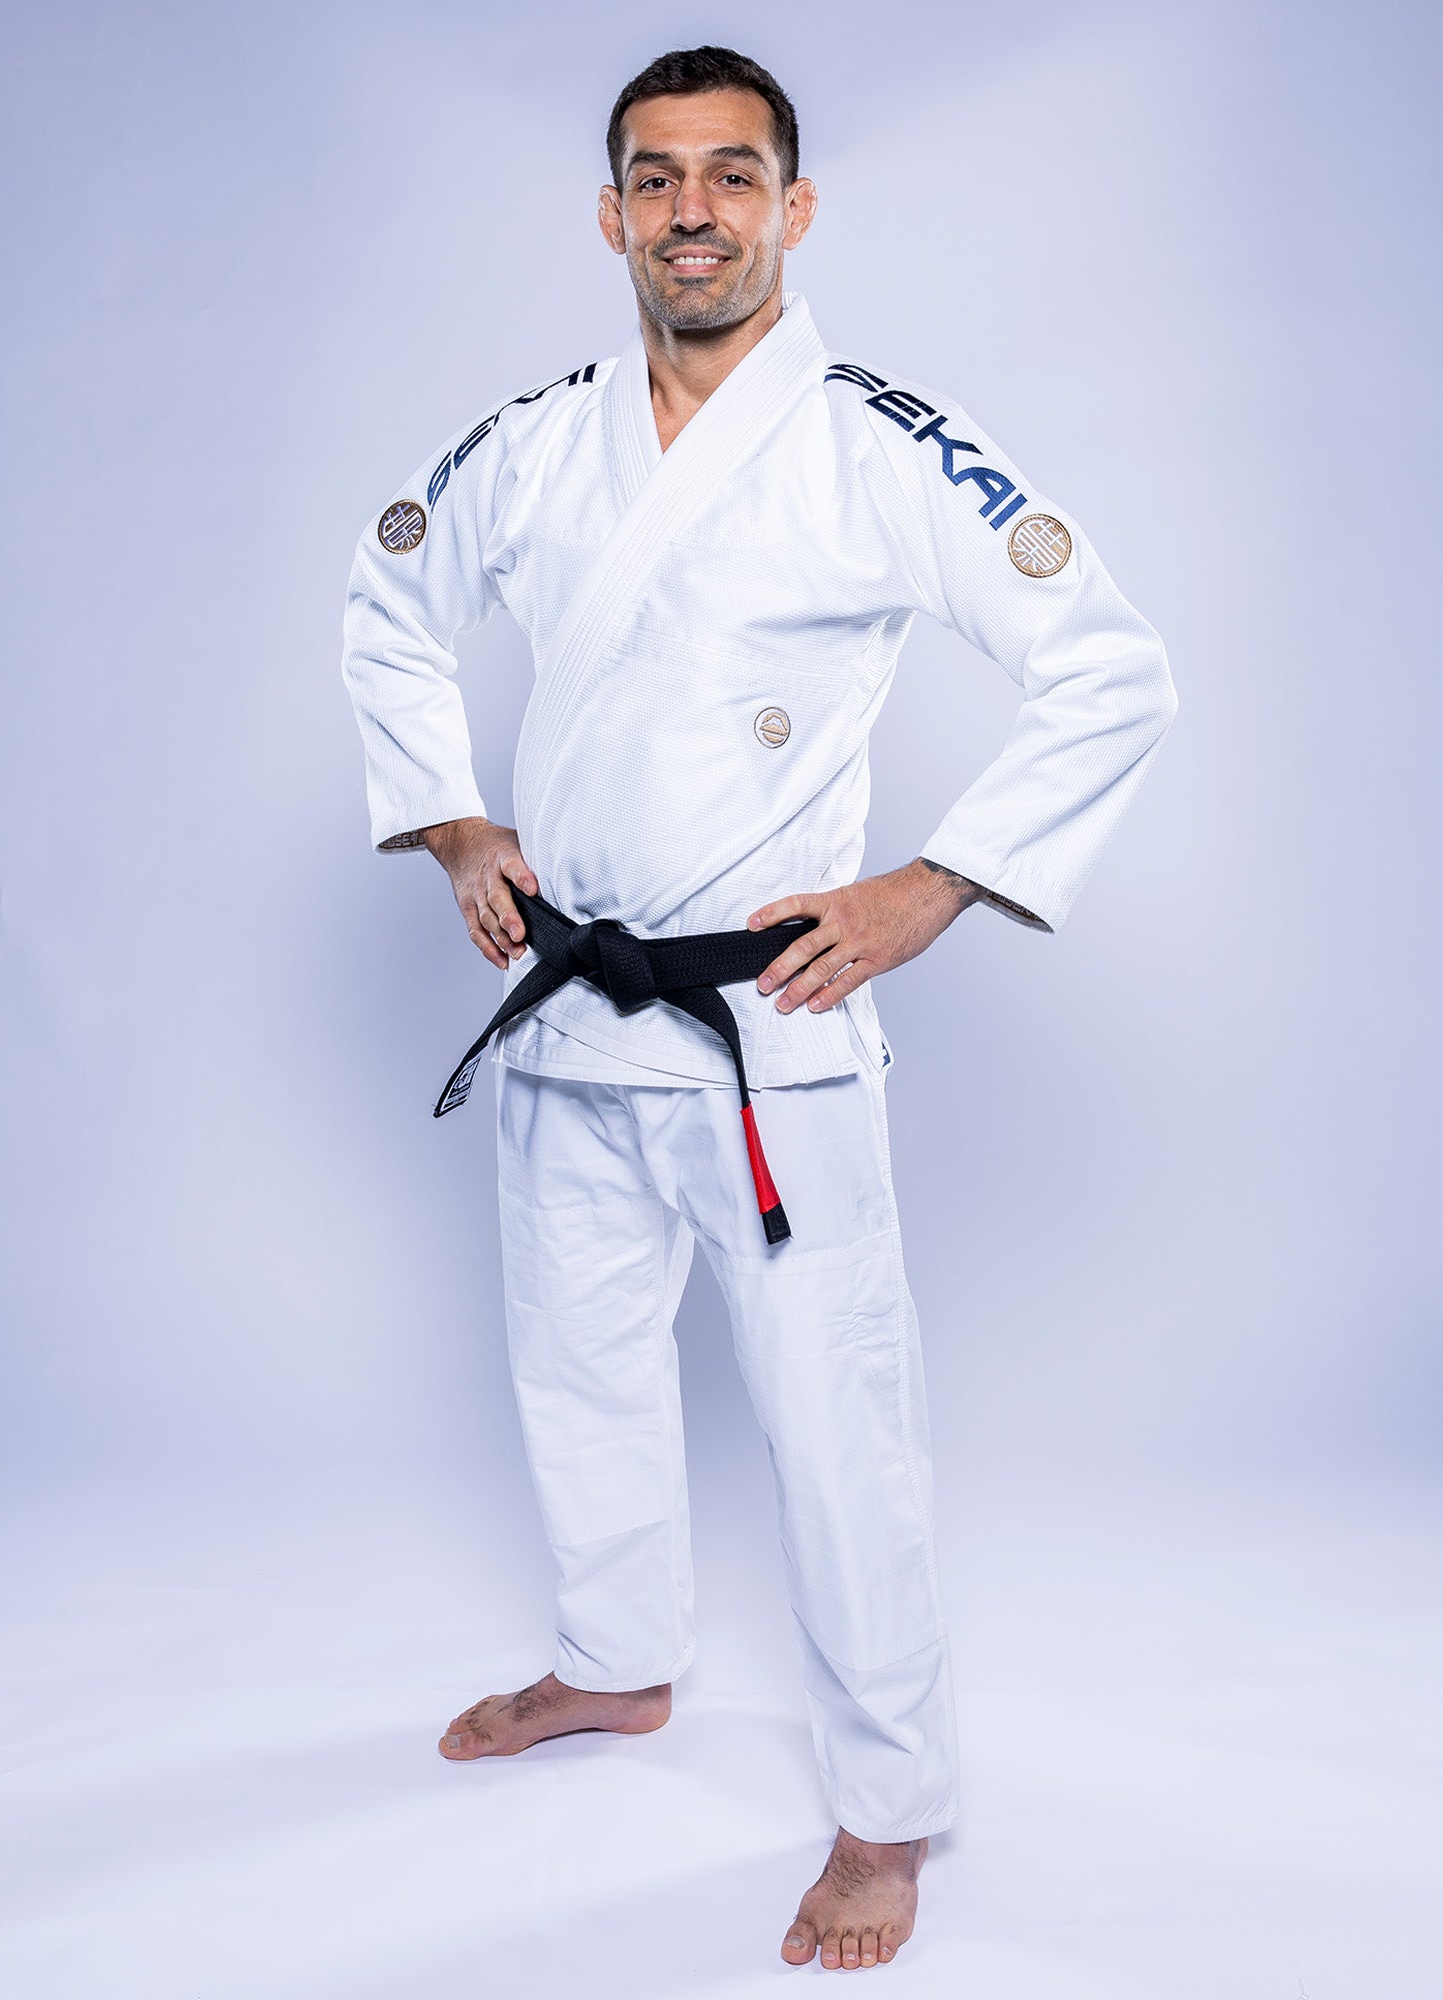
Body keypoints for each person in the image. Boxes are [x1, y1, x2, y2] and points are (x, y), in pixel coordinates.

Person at [341, 44, 1176, 1973]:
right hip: (567, 1001)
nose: (693, 210)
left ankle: (886, 1810)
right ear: (610, 215)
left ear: (794, 211)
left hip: (767, 1032)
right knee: (576, 1367)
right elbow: (384, 599)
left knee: (836, 1427)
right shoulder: (537, 440)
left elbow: (1112, 668)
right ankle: (618, 1662)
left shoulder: (881, 444)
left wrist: (930, 887)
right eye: (656, 178)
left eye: (733, 175)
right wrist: (456, 823)